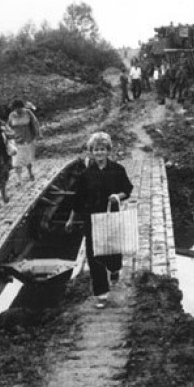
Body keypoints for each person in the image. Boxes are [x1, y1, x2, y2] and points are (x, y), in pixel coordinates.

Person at [64, 132, 133, 309]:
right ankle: (101, 293)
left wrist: (118, 196)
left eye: (102, 149)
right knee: (93, 255)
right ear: (91, 152)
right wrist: (71, 219)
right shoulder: (86, 174)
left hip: (111, 216)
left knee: (113, 250)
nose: (99, 153)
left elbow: (128, 189)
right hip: (92, 219)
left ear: (108, 150)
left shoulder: (117, 170)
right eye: (96, 150)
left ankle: (115, 268)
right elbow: (78, 200)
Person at [7, 98, 41, 183]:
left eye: (19, 107)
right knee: (16, 161)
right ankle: (19, 179)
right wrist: (8, 137)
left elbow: (35, 123)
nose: (18, 109)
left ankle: (30, 173)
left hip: (28, 138)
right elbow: (8, 126)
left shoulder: (28, 112)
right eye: (15, 108)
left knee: (28, 158)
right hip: (16, 140)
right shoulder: (11, 115)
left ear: (22, 107)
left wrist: (38, 134)